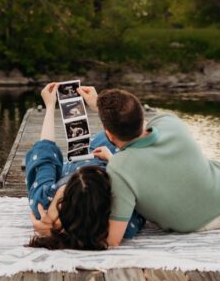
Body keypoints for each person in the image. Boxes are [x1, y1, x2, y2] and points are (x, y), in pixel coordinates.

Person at [77, 86, 220, 248]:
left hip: (202, 224)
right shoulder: (170, 121)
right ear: (141, 116)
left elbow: (113, 240)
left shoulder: (119, 167)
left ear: (109, 135)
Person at [25, 82, 146, 249]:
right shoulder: (124, 222)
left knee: (114, 138)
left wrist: (50, 107)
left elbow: (44, 153)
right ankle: (112, 136)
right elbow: (139, 173)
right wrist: (112, 160)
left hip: (95, 153)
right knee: (120, 139)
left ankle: (111, 135)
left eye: (62, 194)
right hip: (109, 155)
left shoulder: (44, 206)